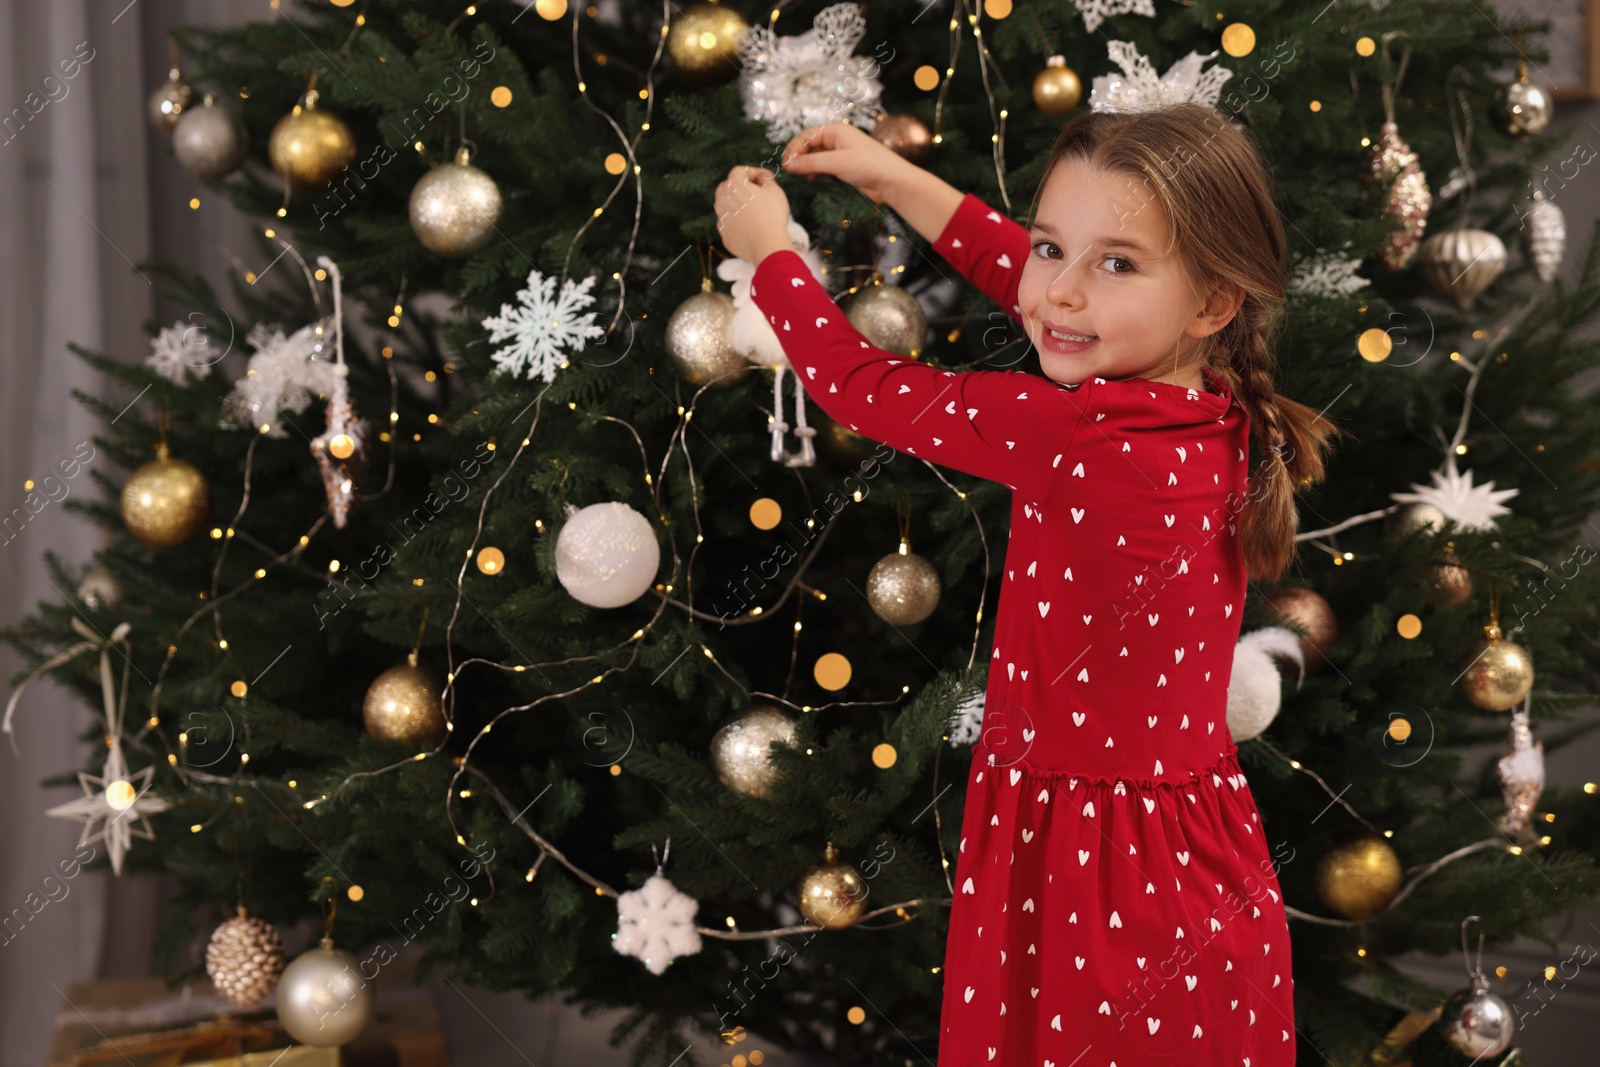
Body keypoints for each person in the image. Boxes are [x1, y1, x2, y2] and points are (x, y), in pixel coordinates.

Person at [715, 103, 1344, 1065]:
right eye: (1055, 246)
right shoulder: (1214, 403)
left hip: (1093, 882)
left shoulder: (1075, 435)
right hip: (1192, 860)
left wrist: (770, 258)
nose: (1062, 294)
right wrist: (890, 178)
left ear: (1215, 300)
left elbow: (857, 384)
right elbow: (1048, 282)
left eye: (1118, 262)